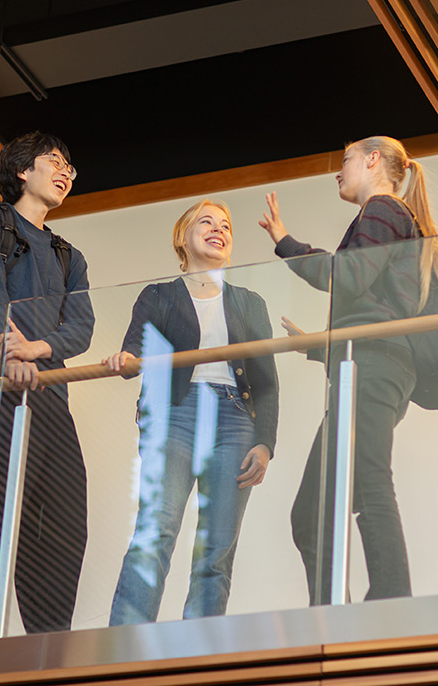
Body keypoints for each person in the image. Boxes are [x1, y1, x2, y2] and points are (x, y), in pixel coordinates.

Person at [258, 135, 438, 605]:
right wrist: (318, 349)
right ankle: (333, 614)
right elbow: (376, 307)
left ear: (373, 160)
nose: (339, 170)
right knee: (311, 514)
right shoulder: (390, 216)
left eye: (346, 159)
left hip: (373, 368)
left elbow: (346, 278)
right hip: (363, 367)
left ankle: (390, 602)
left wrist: (285, 243)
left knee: (368, 480)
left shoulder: (383, 210)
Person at [104, 199, 278, 624]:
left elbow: (268, 381)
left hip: (236, 420)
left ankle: (197, 649)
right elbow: (134, 354)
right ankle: (125, 643)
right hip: (174, 416)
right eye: (207, 221)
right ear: (184, 237)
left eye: (226, 225)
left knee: (217, 548)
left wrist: (266, 443)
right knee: (156, 533)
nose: (219, 229)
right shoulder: (160, 296)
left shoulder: (250, 302)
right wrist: (123, 361)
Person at [0, 131, 94, 639]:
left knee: (62, 532)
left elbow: (81, 327)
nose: (65, 173)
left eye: (70, 168)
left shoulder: (67, 255)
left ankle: (48, 658)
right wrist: (8, 354)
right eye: (55, 160)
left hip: (50, 399)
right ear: (21, 171)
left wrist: (35, 349)